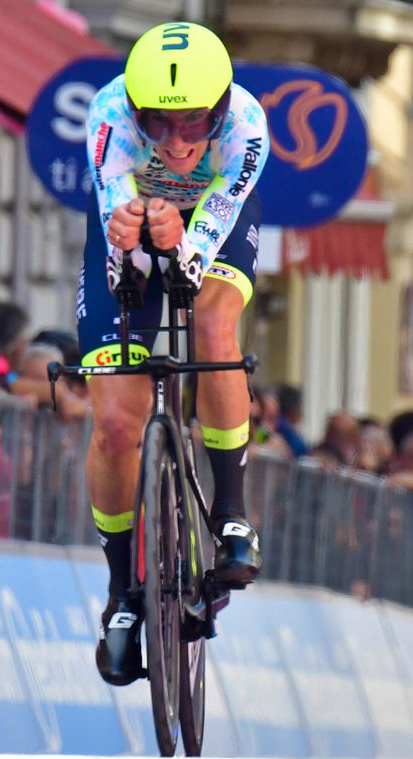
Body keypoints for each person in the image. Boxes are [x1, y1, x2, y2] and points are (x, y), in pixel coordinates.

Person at [79, 21, 269, 685]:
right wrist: (134, 248)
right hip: (131, 221)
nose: (180, 142)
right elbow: (119, 245)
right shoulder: (107, 117)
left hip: (213, 223)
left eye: (193, 123)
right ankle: (122, 593)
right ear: (134, 111)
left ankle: (233, 511)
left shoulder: (247, 124)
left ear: (219, 107)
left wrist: (180, 252)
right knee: (115, 425)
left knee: (215, 325)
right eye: (159, 126)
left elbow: (209, 234)